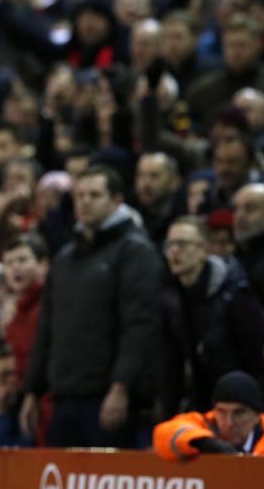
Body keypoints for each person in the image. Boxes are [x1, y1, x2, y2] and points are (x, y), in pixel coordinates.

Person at [20, 166, 163, 448]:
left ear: (117, 201)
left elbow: (140, 326)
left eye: (95, 194)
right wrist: (32, 391)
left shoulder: (135, 251)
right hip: (63, 396)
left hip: (108, 398)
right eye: (79, 195)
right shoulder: (64, 257)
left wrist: (121, 387)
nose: (85, 202)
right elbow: (47, 328)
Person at [160, 217, 264, 416]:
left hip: (243, 408)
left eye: (182, 244)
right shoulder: (172, 297)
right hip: (204, 404)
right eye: (169, 245)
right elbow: (171, 366)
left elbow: (258, 364)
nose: (174, 251)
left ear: (205, 250)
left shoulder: (235, 296)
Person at [154, 371, 264, 460]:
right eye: (221, 411)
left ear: (256, 416)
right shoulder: (206, 423)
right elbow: (164, 434)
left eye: (239, 413)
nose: (229, 422)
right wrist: (202, 442)